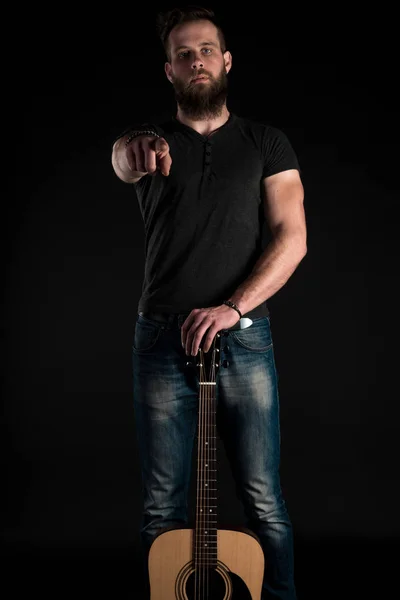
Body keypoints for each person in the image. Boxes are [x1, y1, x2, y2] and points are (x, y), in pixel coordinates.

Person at [111, 6, 306, 599]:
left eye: (205, 50)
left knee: (264, 501)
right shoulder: (150, 143)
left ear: (225, 60)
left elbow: (292, 239)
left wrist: (232, 309)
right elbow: (122, 160)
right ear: (169, 70)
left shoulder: (266, 142)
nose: (196, 60)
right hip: (161, 338)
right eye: (183, 53)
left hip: (244, 337)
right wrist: (132, 148)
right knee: (161, 505)